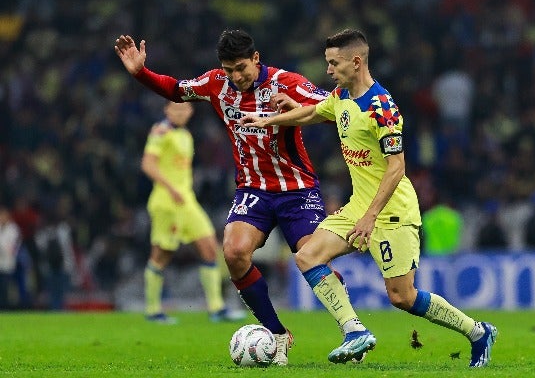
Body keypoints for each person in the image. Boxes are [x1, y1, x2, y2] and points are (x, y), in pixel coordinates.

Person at [241, 29, 498, 367]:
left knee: (401, 297)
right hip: (359, 207)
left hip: (392, 212)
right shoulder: (342, 97)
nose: (329, 70)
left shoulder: (383, 108)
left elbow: (397, 167)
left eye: (334, 63)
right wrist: (271, 118)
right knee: (307, 256)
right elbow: (315, 111)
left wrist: (370, 216)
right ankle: (354, 331)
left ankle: (478, 332)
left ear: (356, 62)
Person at [115, 29, 342, 365]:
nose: (236, 76)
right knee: (233, 252)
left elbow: (334, 107)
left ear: (256, 59)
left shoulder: (287, 82)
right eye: (229, 69)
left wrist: (306, 107)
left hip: (296, 189)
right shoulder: (215, 83)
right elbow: (176, 90)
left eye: (242, 68)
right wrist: (140, 73)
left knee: (314, 258)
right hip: (252, 189)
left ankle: (351, 329)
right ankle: (277, 334)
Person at [140, 101, 245, 324]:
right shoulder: (161, 132)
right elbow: (148, 164)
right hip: (167, 202)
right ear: (166, 109)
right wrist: (170, 188)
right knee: (161, 254)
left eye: (183, 109)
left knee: (209, 247)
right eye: (174, 108)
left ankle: (216, 309)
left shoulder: (185, 135)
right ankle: (153, 310)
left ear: (190, 112)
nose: (179, 113)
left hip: (187, 201)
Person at [0, 205, 21, 309]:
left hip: (8, 264)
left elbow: (12, 247)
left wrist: (4, 248)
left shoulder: (13, 229)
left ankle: (5, 309)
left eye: (3, 215)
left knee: (6, 288)